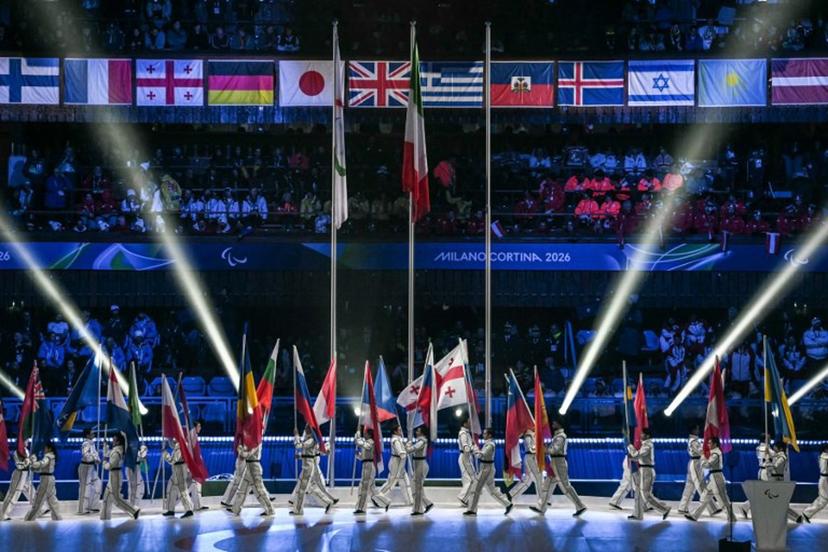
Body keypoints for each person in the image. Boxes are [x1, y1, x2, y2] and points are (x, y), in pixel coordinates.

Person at [532, 419, 586, 516]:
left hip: (559, 463)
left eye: (554, 422)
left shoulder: (561, 436)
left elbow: (554, 450)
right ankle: (541, 507)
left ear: (559, 424)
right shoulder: (558, 436)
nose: (552, 424)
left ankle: (580, 506)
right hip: (554, 463)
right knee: (547, 486)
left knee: (565, 487)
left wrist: (544, 449)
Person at [462, 428, 512, 516]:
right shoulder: (488, 444)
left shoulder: (490, 445)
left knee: (475, 488)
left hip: (486, 469)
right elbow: (480, 454)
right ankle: (508, 504)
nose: (483, 435)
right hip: (486, 468)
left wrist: (474, 448)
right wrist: (476, 448)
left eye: (485, 433)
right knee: (492, 490)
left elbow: (481, 455)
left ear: (489, 435)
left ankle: (472, 510)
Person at [685, 437, 736, 522]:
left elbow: (707, 465)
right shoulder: (714, 452)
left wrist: (702, 457)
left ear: (715, 444)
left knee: (722, 499)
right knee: (705, 496)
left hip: (717, 477)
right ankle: (695, 516)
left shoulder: (716, 453)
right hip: (713, 477)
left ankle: (732, 518)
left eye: (710, 443)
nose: (708, 445)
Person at [626, 429, 671, 520]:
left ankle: (664, 509)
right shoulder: (645, 445)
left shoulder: (648, 445)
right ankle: (637, 514)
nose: (640, 435)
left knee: (646, 494)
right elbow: (638, 458)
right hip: (643, 469)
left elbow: (637, 455)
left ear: (647, 435)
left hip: (647, 471)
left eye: (642, 434)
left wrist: (630, 446)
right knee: (638, 493)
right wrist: (632, 457)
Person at [290, 427, 333, 515]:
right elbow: (307, 454)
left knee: (302, 489)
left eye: (307, 427)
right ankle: (327, 502)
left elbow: (299, 446)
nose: (305, 428)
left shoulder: (311, 440)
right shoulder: (309, 440)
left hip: (308, 468)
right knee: (310, 488)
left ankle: (298, 509)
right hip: (307, 467)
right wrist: (299, 457)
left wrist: (296, 436)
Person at [678, 424, 718, 516]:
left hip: (695, 462)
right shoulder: (694, 441)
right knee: (701, 485)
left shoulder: (693, 440)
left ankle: (682, 507)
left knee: (690, 486)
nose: (699, 430)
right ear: (694, 430)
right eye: (697, 428)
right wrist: (711, 449)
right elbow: (700, 451)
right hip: (696, 463)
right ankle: (712, 508)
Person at [101, 433, 140, 520]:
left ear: (118, 441)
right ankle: (104, 516)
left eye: (114, 440)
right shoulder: (117, 450)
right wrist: (105, 447)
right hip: (113, 475)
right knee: (106, 498)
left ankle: (133, 511)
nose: (112, 441)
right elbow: (107, 454)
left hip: (115, 476)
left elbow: (110, 465)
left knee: (117, 498)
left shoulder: (118, 451)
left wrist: (104, 463)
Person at [373, 424, 413, 510]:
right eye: (399, 430)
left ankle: (410, 501)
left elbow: (402, 452)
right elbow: (401, 453)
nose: (401, 431)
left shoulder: (398, 440)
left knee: (405, 481)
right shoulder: (396, 440)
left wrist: (406, 447)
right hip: (396, 463)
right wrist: (407, 450)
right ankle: (377, 498)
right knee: (391, 483)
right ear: (395, 431)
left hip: (398, 462)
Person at [230, 442, 274, 517]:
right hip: (248, 468)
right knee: (241, 490)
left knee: (260, 490)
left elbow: (246, 455)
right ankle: (236, 509)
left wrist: (240, 449)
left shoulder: (256, 441)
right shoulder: (249, 441)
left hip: (254, 469)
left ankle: (270, 509)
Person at [24, 442, 61, 521]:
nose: (44, 449)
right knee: (52, 501)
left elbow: (42, 464)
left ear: (49, 448)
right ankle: (58, 518)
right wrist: (34, 468)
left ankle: (29, 520)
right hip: (49, 478)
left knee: (38, 500)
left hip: (46, 480)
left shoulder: (48, 456)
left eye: (45, 448)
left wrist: (33, 462)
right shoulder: (51, 456)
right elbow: (42, 469)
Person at [506, 428, 544, 502]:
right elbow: (530, 448)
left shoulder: (534, 433)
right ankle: (511, 495)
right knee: (530, 479)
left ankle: (542, 499)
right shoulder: (528, 434)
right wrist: (540, 448)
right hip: (531, 457)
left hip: (534, 457)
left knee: (534, 479)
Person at [739, 434, 772, 518]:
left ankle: (745, 506)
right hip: (765, 472)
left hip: (763, 471)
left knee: (762, 493)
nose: (770, 439)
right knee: (765, 492)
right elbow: (772, 456)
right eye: (768, 438)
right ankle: (745, 506)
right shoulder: (764, 448)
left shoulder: (761, 447)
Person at [767, 441, 800, 522]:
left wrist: (768, 464)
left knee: (780, 503)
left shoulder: (782, 457)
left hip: (777, 480)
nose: (774, 448)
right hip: (774, 480)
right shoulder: (777, 455)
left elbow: (776, 466)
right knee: (777, 502)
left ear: (780, 448)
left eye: (775, 446)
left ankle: (795, 517)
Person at [162, 441, 194, 518]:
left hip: (180, 471)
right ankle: (171, 510)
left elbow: (172, 460)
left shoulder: (180, 447)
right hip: (176, 471)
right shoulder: (179, 446)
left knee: (183, 490)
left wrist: (165, 454)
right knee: (172, 490)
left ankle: (189, 509)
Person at [0, 445, 32, 520]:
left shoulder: (26, 450)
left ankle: (41, 508)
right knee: (14, 493)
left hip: (25, 474)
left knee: (30, 491)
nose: (27, 441)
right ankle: (3, 514)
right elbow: (19, 466)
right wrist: (27, 462)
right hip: (19, 474)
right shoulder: (17, 452)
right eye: (25, 439)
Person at [407, 426, 434, 516]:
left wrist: (407, 446)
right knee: (416, 486)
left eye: (418, 431)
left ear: (422, 432)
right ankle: (427, 503)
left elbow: (413, 449)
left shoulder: (422, 441)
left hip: (421, 465)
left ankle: (418, 509)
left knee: (417, 487)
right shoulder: (420, 441)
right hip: (419, 464)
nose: (416, 432)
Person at [798, 443, 828, 523]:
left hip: (825, 479)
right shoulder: (825, 456)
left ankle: (806, 514)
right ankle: (805, 514)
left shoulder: (823, 456)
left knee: (822, 500)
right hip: (825, 480)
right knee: (823, 500)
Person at [353, 427, 379, 514]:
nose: (364, 434)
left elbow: (364, 445)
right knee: (370, 488)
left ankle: (361, 508)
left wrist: (357, 438)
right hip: (365, 465)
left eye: (365, 433)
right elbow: (363, 457)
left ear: (369, 434)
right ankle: (384, 502)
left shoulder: (371, 442)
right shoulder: (366, 442)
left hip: (369, 466)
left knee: (364, 488)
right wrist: (358, 455)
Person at [77, 428, 102, 514]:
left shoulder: (92, 444)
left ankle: (93, 506)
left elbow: (94, 454)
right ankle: (82, 509)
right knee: (85, 488)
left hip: (91, 467)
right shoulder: (86, 444)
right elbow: (86, 455)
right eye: (92, 433)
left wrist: (98, 459)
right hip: (85, 467)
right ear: (87, 435)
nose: (94, 434)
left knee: (98, 484)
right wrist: (95, 458)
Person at [457, 419, 477, 506]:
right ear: (464, 423)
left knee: (467, 479)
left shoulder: (467, 433)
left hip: (467, 457)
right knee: (472, 479)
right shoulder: (463, 433)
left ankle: (466, 499)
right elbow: (465, 446)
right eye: (469, 422)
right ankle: (463, 498)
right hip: (465, 457)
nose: (471, 423)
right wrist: (472, 447)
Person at [221, 443, 247, 508]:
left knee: (236, 483)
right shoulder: (242, 440)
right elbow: (242, 453)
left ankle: (226, 501)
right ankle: (226, 501)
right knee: (235, 483)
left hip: (243, 462)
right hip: (241, 462)